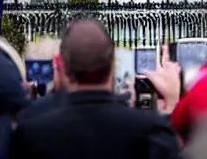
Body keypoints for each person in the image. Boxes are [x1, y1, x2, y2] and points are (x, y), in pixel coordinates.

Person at [10, 19, 180, 159]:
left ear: (59, 64)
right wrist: (172, 107)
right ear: (112, 65)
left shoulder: (32, 133)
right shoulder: (150, 133)